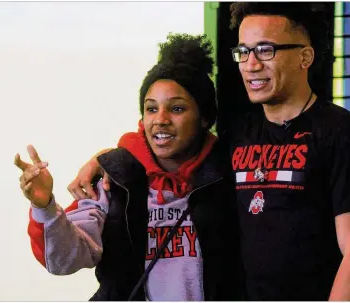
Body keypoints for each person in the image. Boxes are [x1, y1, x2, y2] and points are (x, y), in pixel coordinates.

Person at [68, 3, 350, 301]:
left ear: (305, 56)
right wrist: (107, 159)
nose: (251, 64)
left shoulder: (342, 132)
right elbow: (170, 151)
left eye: (266, 50)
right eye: (243, 51)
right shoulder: (236, 135)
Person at [14, 33, 243, 301]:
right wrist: (45, 207)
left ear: (205, 118)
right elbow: (64, 260)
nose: (161, 120)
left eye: (177, 109)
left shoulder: (231, 176)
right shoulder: (114, 178)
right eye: (151, 109)